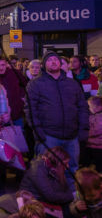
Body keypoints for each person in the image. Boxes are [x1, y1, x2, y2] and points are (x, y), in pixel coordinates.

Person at [26, 51, 89, 181]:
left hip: (72, 136)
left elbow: (82, 107)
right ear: (44, 65)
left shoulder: (72, 83)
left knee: (72, 169)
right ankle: (48, 199)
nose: (53, 61)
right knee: (45, 170)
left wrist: (83, 129)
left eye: (56, 59)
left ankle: (72, 198)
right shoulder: (35, 84)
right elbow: (30, 109)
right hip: (48, 135)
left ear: (60, 63)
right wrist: (37, 131)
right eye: (49, 60)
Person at [19, 146, 74, 218]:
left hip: (44, 200)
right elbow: (51, 196)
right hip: (32, 203)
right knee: (66, 215)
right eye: (65, 163)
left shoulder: (54, 169)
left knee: (71, 210)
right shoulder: (37, 170)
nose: (68, 166)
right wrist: (73, 195)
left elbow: (63, 189)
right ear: (56, 163)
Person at [0, 56, 26, 125]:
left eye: (3, 65)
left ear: (6, 65)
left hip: (17, 112)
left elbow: (25, 84)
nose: (1, 67)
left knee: (18, 134)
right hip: (0, 115)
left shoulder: (15, 73)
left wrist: (22, 98)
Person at [84, 96, 102, 172]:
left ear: (99, 107)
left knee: (99, 164)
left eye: (90, 107)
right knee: (87, 162)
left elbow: (97, 131)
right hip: (89, 144)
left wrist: (85, 134)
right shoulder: (91, 115)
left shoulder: (100, 117)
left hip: (98, 146)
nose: (89, 109)